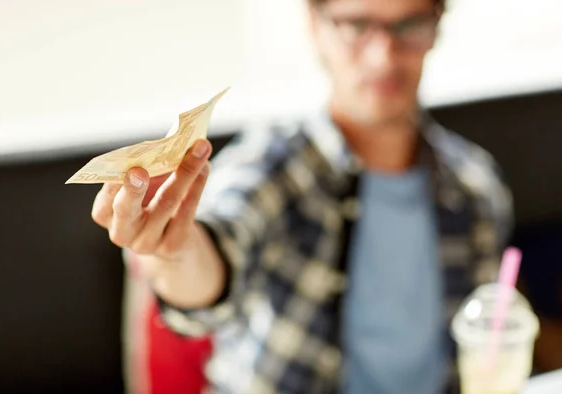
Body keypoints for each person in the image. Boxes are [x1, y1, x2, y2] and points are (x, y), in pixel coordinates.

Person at [91, 0, 513, 392]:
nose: (383, 56)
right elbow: (218, 253)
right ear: (316, 24)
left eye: (410, 24)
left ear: (437, 24)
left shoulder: (475, 189)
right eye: (356, 25)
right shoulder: (274, 169)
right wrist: (179, 249)